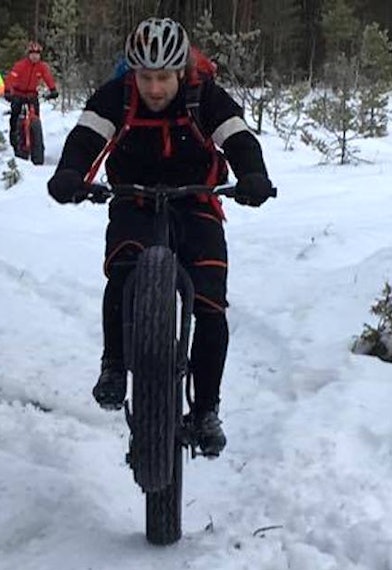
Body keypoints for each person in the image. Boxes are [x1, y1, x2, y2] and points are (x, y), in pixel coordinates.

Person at [46, 17, 274, 458]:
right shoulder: (119, 95)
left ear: (181, 72)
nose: (154, 89)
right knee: (124, 270)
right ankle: (114, 365)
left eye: (163, 78)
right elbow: (86, 137)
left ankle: (205, 410)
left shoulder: (202, 96)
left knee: (210, 305)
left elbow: (239, 137)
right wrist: (69, 173)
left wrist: (253, 176)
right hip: (134, 198)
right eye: (146, 77)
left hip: (197, 200)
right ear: (134, 73)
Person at [4, 41, 58, 156]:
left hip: (32, 95)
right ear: (28, 54)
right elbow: (11, 78)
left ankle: (37, 144)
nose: (35, 56)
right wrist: (8, 91)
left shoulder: (42, 67)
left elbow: (48, 78)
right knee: (15, 116)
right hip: (18, 94)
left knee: (36, 118)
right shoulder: (20, 65)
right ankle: (15, 139)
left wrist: (53, 89)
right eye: (32, 53)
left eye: (37, 53)